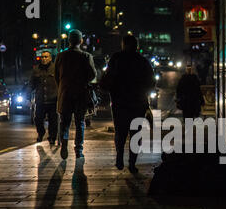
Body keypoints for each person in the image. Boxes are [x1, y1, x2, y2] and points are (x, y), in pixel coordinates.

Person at [100, 35, 155, 173]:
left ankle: (119, 158)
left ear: (123, 44)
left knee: (120, 132)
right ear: (136, 45)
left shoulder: (116, 59)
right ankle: (132, 163)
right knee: (135, 134)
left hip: (119, 102)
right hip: (138, 102)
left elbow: (107, 79)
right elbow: (151, 82)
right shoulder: (142, 61)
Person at [54, 29, 97, 160]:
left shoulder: (60, 56)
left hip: (65, 93)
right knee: (80, 122)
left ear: (68, 40)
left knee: (64, 122)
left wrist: (62, 86)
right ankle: (78, 149)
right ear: (81, 40)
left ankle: (64, 143)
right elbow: (93, 75)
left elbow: (56, 76)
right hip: (80, 94)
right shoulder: (86, 56)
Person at [28, 50, 58, 145]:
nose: (44, 59)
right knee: (38, 119)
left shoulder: (55, 68)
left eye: (46, 57)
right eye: (42, 57)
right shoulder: (36, 69)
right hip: (40, 100)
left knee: (53, 121)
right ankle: (41, 133)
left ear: (50, 58)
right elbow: (31, 84)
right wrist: (27, 97)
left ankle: (52, 137)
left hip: (53, 100)